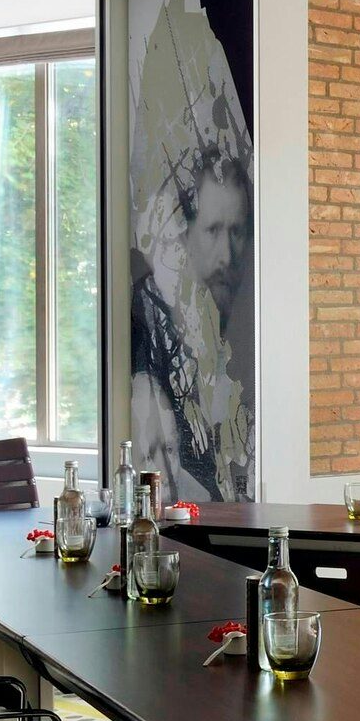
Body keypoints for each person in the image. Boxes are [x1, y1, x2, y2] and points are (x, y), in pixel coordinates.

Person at [131, 146, 253, 504]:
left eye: (237, 232)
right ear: (186, 235)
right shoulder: (154, 322)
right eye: (213, 230)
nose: (227, 254)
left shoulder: (248, 336)